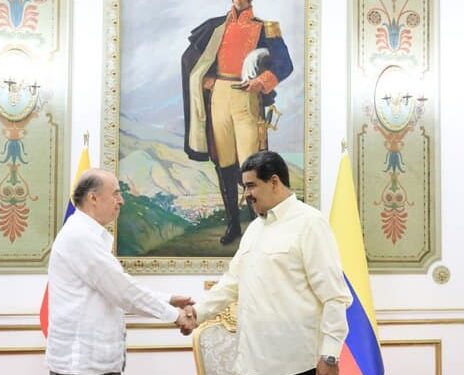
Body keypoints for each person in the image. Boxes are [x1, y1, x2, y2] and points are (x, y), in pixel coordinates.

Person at [188, 151, 353, 375]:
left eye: (251, 186)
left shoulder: (311, 224)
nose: (246, 194)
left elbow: (335, 297)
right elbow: (231, 283)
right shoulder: (255, 229)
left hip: (297, 366)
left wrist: (330, 355)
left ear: (274, 181)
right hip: (250, 365)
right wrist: (195, 314)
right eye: (245, 187)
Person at [45, 168, 196, 375]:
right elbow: (124, 292)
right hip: (81, 366)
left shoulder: (86, 235)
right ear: (93, 198)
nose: (121, 200)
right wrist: (175, 315)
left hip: (93, 364)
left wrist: (170, 299)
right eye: (116, 193)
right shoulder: (79, 237)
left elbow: (118, 287)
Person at [182, 0, 294, 245]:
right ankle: (233, 225)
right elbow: (195, 60)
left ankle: (257, 227)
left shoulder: (267, 28)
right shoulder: (215, 27)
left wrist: (262, 82)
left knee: (251, 165)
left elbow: (285, 65)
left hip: (247, 97)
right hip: (219, 97)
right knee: (224, 163)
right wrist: (206, 78)